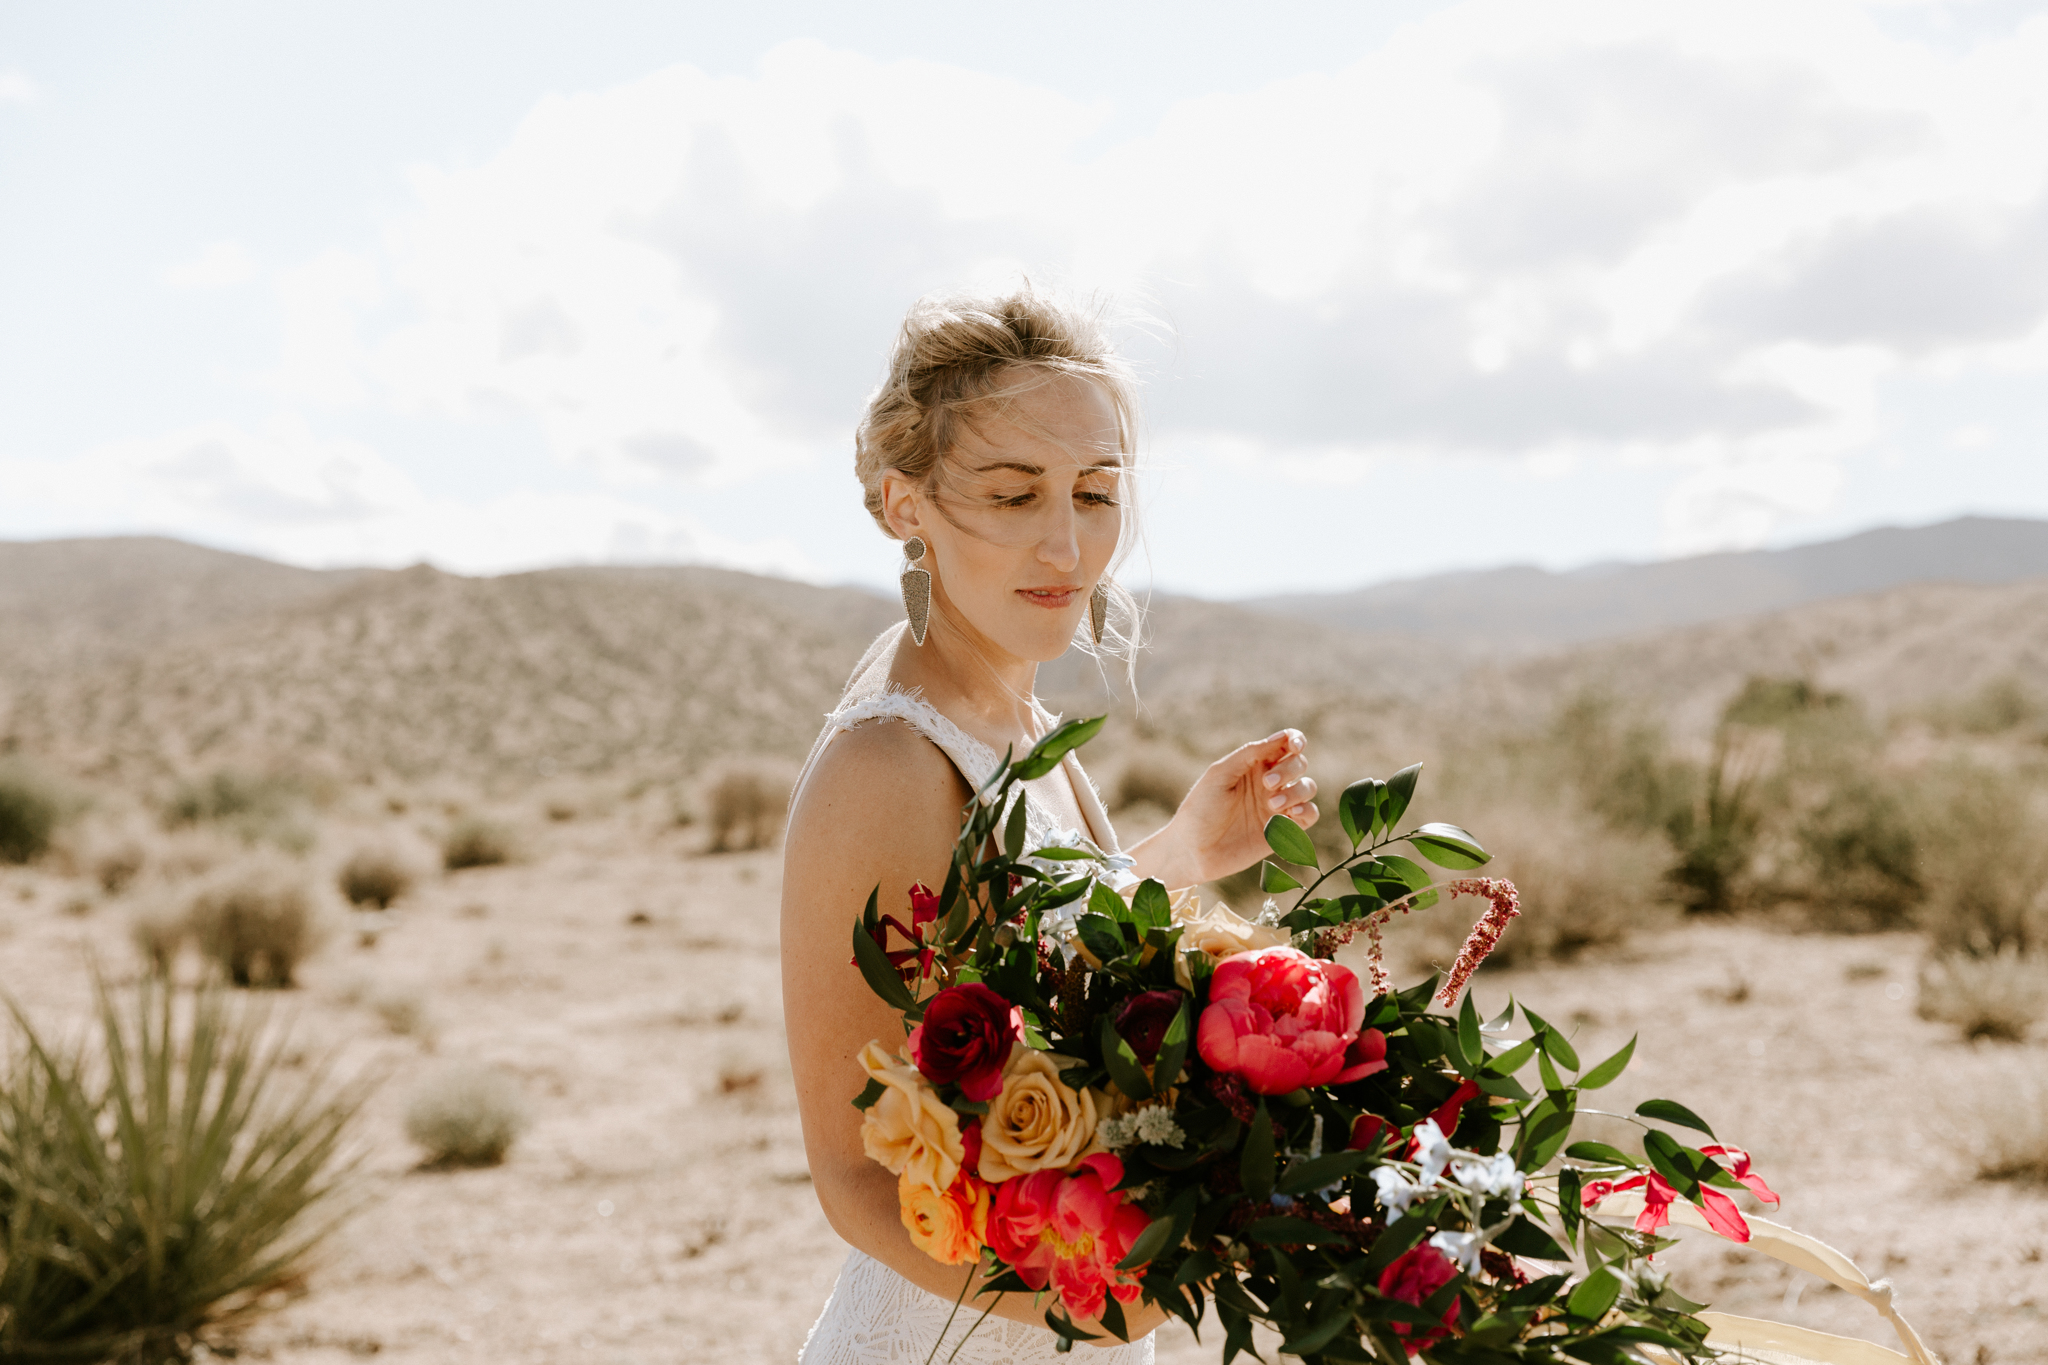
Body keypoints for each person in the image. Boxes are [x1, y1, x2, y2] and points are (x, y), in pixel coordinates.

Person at [782, 286, 1321, 1363]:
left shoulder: (1019, 724)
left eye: (1095, 492)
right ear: (905, 504)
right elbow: (853, 1176)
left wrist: (1180, 855)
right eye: (1014, 494)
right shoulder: (887, 764)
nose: (1067, 546)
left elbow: (1017, 962)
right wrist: (1095, 1301)